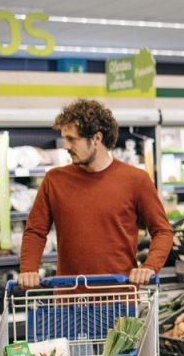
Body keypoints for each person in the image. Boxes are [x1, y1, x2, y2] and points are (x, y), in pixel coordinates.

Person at [18, 98, 173, 289]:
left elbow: (162, 231)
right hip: (69, 301)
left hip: (119, 298)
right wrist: (28, 269)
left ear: (96, 139)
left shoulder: (136, 180)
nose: (65, 146)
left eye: (72, 139)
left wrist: (150, 266)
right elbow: (35, 231)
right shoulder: (54, 180)